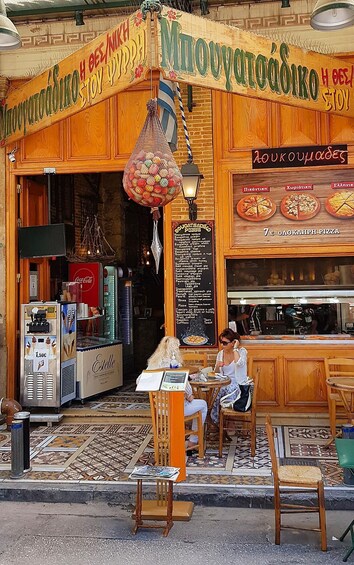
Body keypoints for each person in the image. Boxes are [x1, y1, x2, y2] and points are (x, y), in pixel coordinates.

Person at [146, 336, 207, 454]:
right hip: (175, 408)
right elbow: (185, 386)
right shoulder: (174, 364)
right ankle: (193, 442)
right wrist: (190, 395)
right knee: (203, 405)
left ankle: (174, 440)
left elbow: (140, 380)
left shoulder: (153, 364)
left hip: (160, 409)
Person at [211, 328, 248, 424]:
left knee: (230, 389)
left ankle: (230, 421)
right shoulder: (220, 354)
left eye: (225, 343)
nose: (222, 345)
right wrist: (218, 367)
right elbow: (216, 373)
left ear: (233, 343)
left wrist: (235, 348)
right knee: (216, 390)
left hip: (238, 383)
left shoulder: (241, 352)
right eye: (221, 342)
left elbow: (239, 363)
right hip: (224, 381)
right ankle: (217, 421)